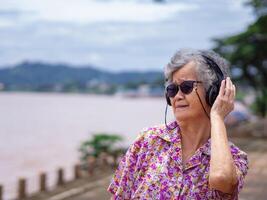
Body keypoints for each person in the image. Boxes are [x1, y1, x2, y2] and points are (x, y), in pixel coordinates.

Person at [107, 49, 248, 199]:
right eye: (172, 89)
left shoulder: (234, 158)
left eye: (186, 87)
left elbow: (222, 178)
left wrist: (217, 116)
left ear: (213, 92)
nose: (177, 97)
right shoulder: (149, 140)